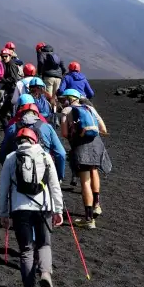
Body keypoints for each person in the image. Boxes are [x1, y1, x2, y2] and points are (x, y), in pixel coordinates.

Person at [0, 127, 64, 287]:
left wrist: (3, 213)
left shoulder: (11, 158)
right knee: (44, 244)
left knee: (26, 250)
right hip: (43, 208)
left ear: (18, 141)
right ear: (35, 140)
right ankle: (45, 274)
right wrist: (58, 210)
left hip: (20, 210)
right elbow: (55, 186)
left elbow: (3, 189)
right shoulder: (45, 156)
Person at [59, 89, 111, 230]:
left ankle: (88, 220)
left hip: (81, 147)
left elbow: (64, 133)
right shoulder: (90, 108)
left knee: (85, 182)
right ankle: (97, 205)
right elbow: (103, 128)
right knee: (94, 170)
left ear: (69, 99)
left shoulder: (66, 111)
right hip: (97, 145)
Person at [0, 96, 66, 182]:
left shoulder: (13, 127)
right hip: (43, 170)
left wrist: (10, 171)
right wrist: (59, 176)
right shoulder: (47, 127)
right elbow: (61, 153)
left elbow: (3, 153)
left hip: (19, 172)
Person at [0, 48, 23, 129]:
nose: (4, 58)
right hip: (11, 92)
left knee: (3, 114)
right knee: (12, 115)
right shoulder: (7, 64)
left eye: (6, 56)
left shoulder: (11, 65)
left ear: (10, 56)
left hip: (13, 93)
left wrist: (1, 80)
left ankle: (9, 134)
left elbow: (13, 79)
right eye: (2, 56)